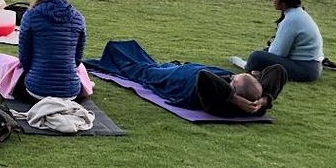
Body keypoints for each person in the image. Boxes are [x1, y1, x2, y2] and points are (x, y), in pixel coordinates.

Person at [86, 40, 287, 117]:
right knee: (160, 66)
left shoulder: (220, 104)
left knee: (143, 70)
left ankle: (114, 52)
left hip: (181, 80)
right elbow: (278, 70)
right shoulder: (257, 105)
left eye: (233, 80)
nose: (232, 76)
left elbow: (204, 76)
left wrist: (235, 98)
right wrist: (264, 99)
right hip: (195, 71)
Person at [0, 0, 93, 102]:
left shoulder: (31, 16)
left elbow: (25, 59)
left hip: (36, 91)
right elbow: (77, 60)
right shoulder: (78, 18)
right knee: (80, 68)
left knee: (0, 60)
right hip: (70, 93)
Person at [233, 0, 324, 82]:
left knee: (256, 56)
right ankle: (259, 71)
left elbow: (279, 53)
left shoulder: (291, 19)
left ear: (284, 0)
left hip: (304, 69)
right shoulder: (298, 14)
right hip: (312, 67)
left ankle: (247, 66)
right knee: (264, 52)